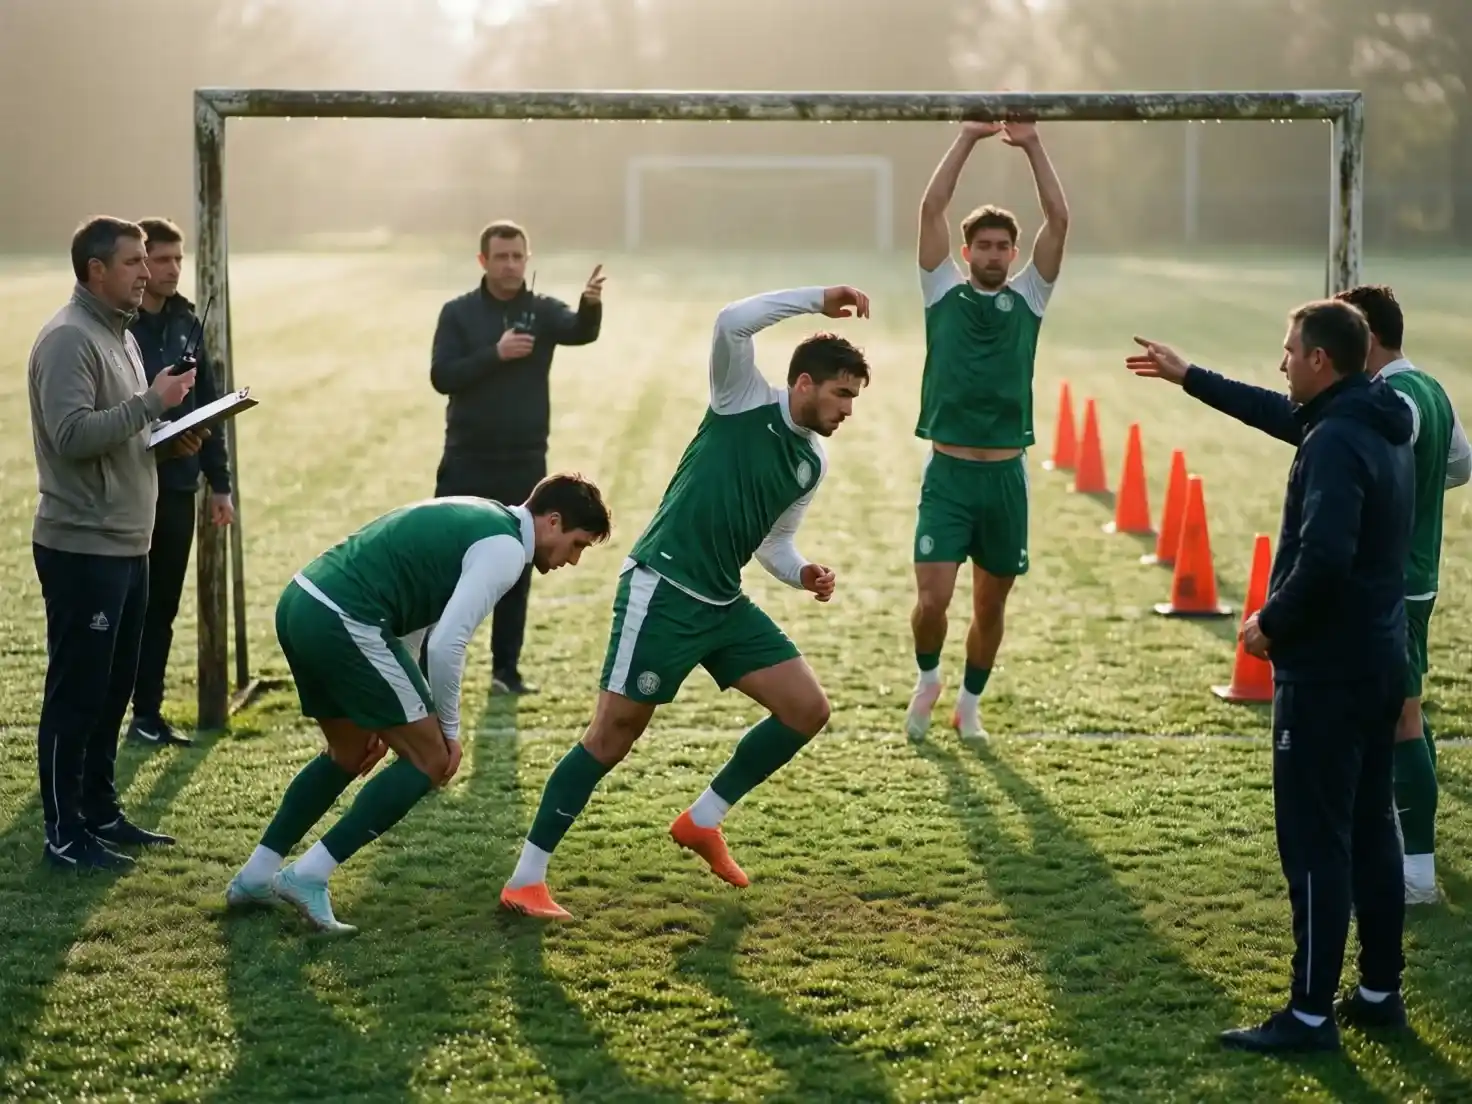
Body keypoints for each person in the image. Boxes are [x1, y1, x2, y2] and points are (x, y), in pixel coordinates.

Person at [499, 284, 872, 921]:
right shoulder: (741, 397)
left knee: (806, 709)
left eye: (855, 399)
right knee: (611, 736)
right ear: (805, 383)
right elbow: (732, 321)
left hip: (723, 602)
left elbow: (774, 543)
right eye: (841, 394)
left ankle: (703, 820)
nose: (848, 410)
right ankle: (525, 880)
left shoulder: (812, 462)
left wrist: (803, 571)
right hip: (664, 590)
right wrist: (819, 299)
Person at [1128, 299, 1413, 1053]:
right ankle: (1380, 992)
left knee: (1316, 841)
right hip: (1380, 662)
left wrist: (1269, 623)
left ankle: (1310, 1016)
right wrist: (1190, 376)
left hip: (1328, 673)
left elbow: (1325, 557)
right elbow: (1276, 412)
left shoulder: (1335, 440)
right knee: (1371, 829)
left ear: (1320, 359)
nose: (1281, 362)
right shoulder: (1374, 419)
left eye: (1289, 351)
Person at [223, 474, 612, 934]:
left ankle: (255, 876)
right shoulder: (507, 550)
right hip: (345, 618)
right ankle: (308, 875)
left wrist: (388, 712)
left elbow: (413, 619)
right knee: (430, 759)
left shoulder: (484, 511)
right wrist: (448, 731)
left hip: (302, 602)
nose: (573, 560)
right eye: (577, 545)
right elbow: (447, 644)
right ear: (553, 521)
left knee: (349, 752)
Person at [29, 216, 206, 870]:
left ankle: (99, 811)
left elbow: (121, 432)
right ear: (95, 270)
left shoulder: (120, 336)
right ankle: (63, 832)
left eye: (146, 260)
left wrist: (165, 438)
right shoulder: (68, 339)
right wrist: (152, 405)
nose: (146, 272)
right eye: (133, 261)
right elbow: (72, 435)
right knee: (76, 693)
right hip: (83, 544)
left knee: (111, 692)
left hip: (130, 541)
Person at [905, 118, 1069, 743]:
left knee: (989, 605)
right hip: (948, 475)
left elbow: (1059, 219)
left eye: (1004, 246)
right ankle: (928, 679)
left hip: (1004, 479)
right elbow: (931, 208)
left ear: (1014, 254)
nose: (995, 255)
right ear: (967, 252)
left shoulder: (1030, 298)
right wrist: (968, 137)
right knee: (932, 601)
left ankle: (969, 703)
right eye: (985, 246)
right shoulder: (941, 290)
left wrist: (1032, 144)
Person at [1333, 285, 1469, 905]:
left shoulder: (1396, 398)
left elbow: (1394, 440)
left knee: (1402, 717)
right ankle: (1406, 849)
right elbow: (1461, 465)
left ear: (1367, 336)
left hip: (1396, 583)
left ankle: (1416, 876)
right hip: (1419, 577)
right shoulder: (1433, 387)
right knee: (1402, 709)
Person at [429, 220, 606, 696]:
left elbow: (580, 332)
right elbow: (442, 376)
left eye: (517, 256)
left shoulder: (541, 310)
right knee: (445, 564)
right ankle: (427, 662)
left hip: (525, 461)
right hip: (466, 457)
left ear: (527, 259)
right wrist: (496, 353)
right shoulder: (458, 313)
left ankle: (505, 671)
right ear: (483, 261)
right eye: (501, 257)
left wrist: (590, 304)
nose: (510, 265)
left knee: (518, 566)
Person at [124, 217, 235, 749]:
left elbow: (209, 402)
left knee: (162, 607)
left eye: (177, 260)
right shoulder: (119, 325)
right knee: (123, 608)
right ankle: (104, 712)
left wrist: (220, 483)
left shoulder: (188, 320)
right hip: (127, 486)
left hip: (178, 489)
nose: (170, 269)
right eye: (160, 259)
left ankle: (147, 714)